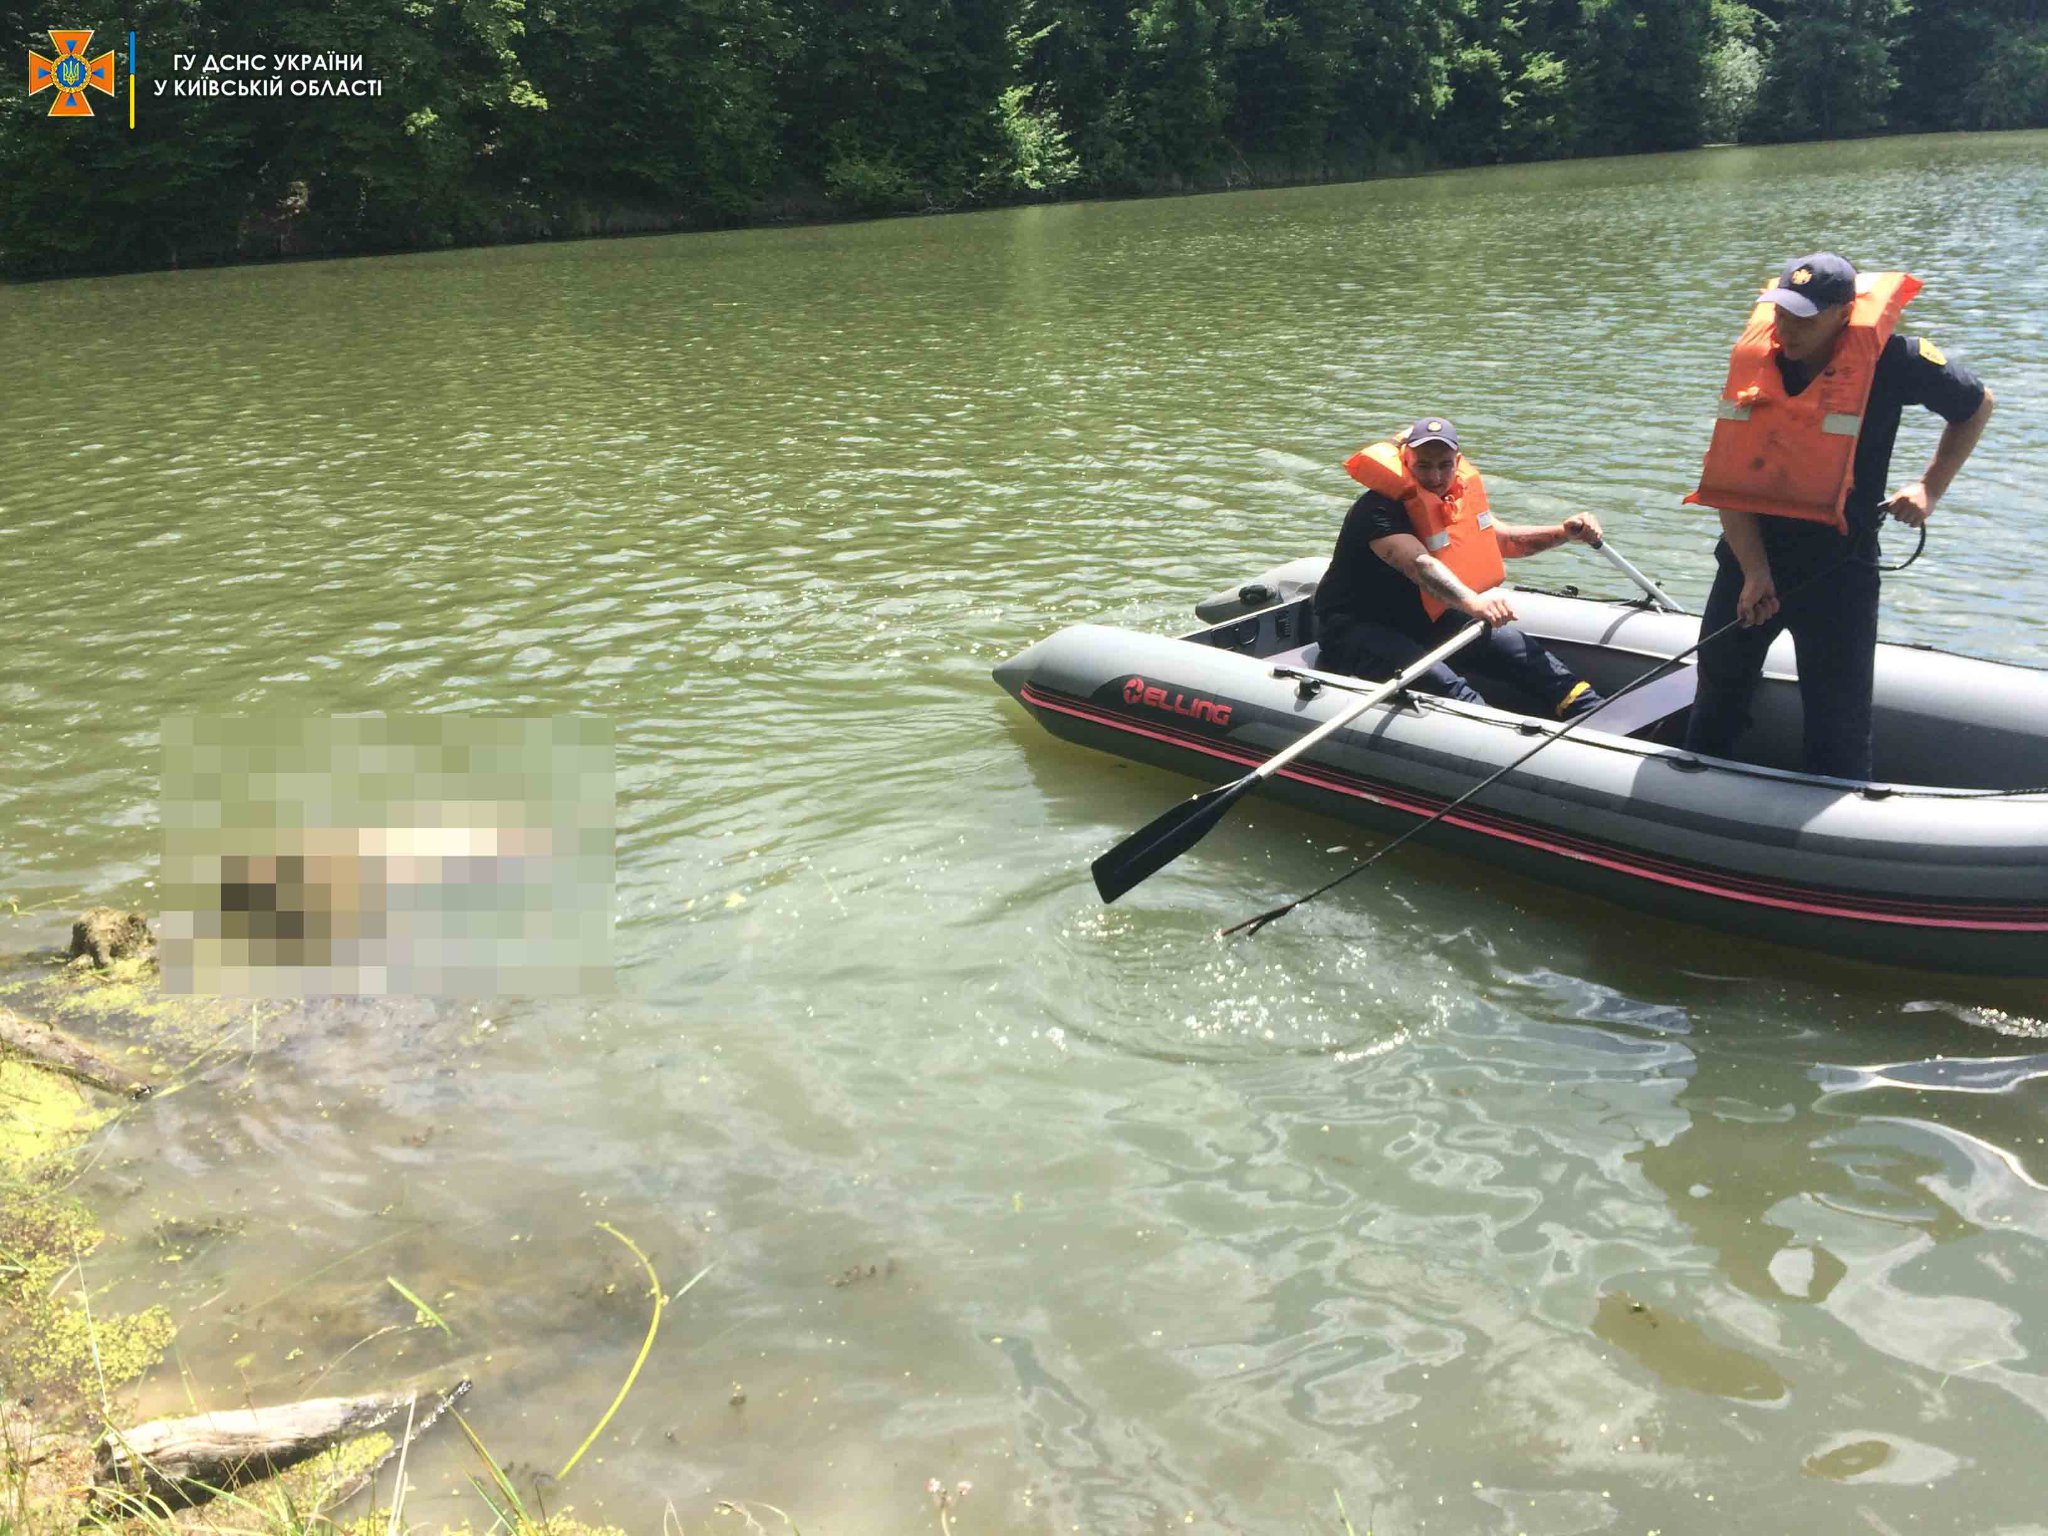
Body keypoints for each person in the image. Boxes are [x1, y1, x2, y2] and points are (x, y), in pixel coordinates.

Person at [1683, 252, 1993, 780]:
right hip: (1748, 558)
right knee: (1716, 696)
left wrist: (1929, 487)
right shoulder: (1755, 359)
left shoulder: (1898, 360)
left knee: (1839, 722)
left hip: (1839, 569)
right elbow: (1728, 482)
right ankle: (1696, 807)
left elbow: (1976, 405)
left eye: (1806, 315)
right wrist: (1756, 572)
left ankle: (1833, 828)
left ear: (1845, 314)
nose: (1788, 327)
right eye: (1781, 312)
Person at [1312, 417, 1607, 719]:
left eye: (1444, 465)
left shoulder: (1453, 501)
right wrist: (1472, 602)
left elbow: (1504, 542)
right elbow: (1418, 564)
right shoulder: (1376, 510)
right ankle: (1500, 741)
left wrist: (1564, 533)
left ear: (1458, 462)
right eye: (1423, 466)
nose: (1436, 476)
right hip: (1357, 627)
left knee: (1523, 653)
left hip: (1427, 618)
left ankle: (1593, 712)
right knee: (1448, 686)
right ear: (1406, 460)